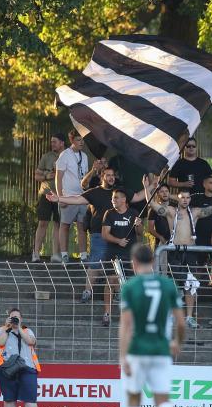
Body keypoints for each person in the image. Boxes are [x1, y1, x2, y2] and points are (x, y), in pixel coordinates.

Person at [119, 243, 187, 407]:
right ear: (154, 261)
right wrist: (177, 341)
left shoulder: (130, 287)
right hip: (160, 349)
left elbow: (126, 325)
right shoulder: (167, 285)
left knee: (133, 399)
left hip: (137, 349)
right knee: (163, 400)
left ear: (134, 262)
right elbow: (181, 322)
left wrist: (123, 356)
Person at [54, 167, 152, 308]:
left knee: (119, 265)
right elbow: (76, 199)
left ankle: (118, 292)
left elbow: (138, 197)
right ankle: (87, 291)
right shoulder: (95, 192)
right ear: (102, 177)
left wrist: (149, 186)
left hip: (120, 234)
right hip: (99, 233)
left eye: (113, 175)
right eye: (108, 175)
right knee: (95, 261)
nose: (111, 178)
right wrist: (58, 198)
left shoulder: (120, 192)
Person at [148, 184, 212, 328]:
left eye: (187, 198)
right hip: (174, 251)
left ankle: (189, 317)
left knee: (190, 285)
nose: (185, 200)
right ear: (177, 199)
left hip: (191, 252)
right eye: (182, 198)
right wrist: (146, 189)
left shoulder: (196, 212)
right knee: (173, 284)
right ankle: (171, 316)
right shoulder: (171, 211)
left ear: (190, 199)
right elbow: (154, 206)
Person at [0, 308, 46, 407]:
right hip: (6, 368)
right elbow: (0, 342)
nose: (14, 319)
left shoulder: (27, 330)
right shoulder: (2, 330)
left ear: (21, 319)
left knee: (30, 398)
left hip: (27, 368)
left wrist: (19, 328)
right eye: (12, 317)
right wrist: (8, 327)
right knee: (9, 398)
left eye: (17, 317)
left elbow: (31, 341)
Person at [100, 190, 143, 326]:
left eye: (116, 198)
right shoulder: (109, 213)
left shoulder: (134, 213)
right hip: (113, 253)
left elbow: (140, 233)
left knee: (132, 283)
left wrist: (138, 225)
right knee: (111, 281)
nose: (113, 200)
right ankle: (107, 314)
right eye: (113, 198)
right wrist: (118, 241)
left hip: (131, 254)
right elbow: (105, 234)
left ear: (124, 199)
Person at [55, 130, 90, 262]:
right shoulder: (65, 155)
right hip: (68, 196)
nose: (82, 142)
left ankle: (83, 255)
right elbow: (58, 178)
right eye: (79, 140)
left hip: (82, 196)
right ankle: (64, 254)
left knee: (82, 226)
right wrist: (60, 198)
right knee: (65, 225)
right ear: (72, 141)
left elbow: (85, 177)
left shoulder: (85, 156)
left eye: (82, 139)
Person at [31, 132, 65, 262]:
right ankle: (36, 253)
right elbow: (36, 176)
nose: (52, 144)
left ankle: (56, 254)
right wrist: (46, 176)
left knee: (58, 224)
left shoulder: (68, 156)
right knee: (43, 223)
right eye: (51, 141)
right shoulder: (46, 157)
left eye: (54, 141)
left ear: (62, 143)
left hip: (61, 195)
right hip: (46, 194)